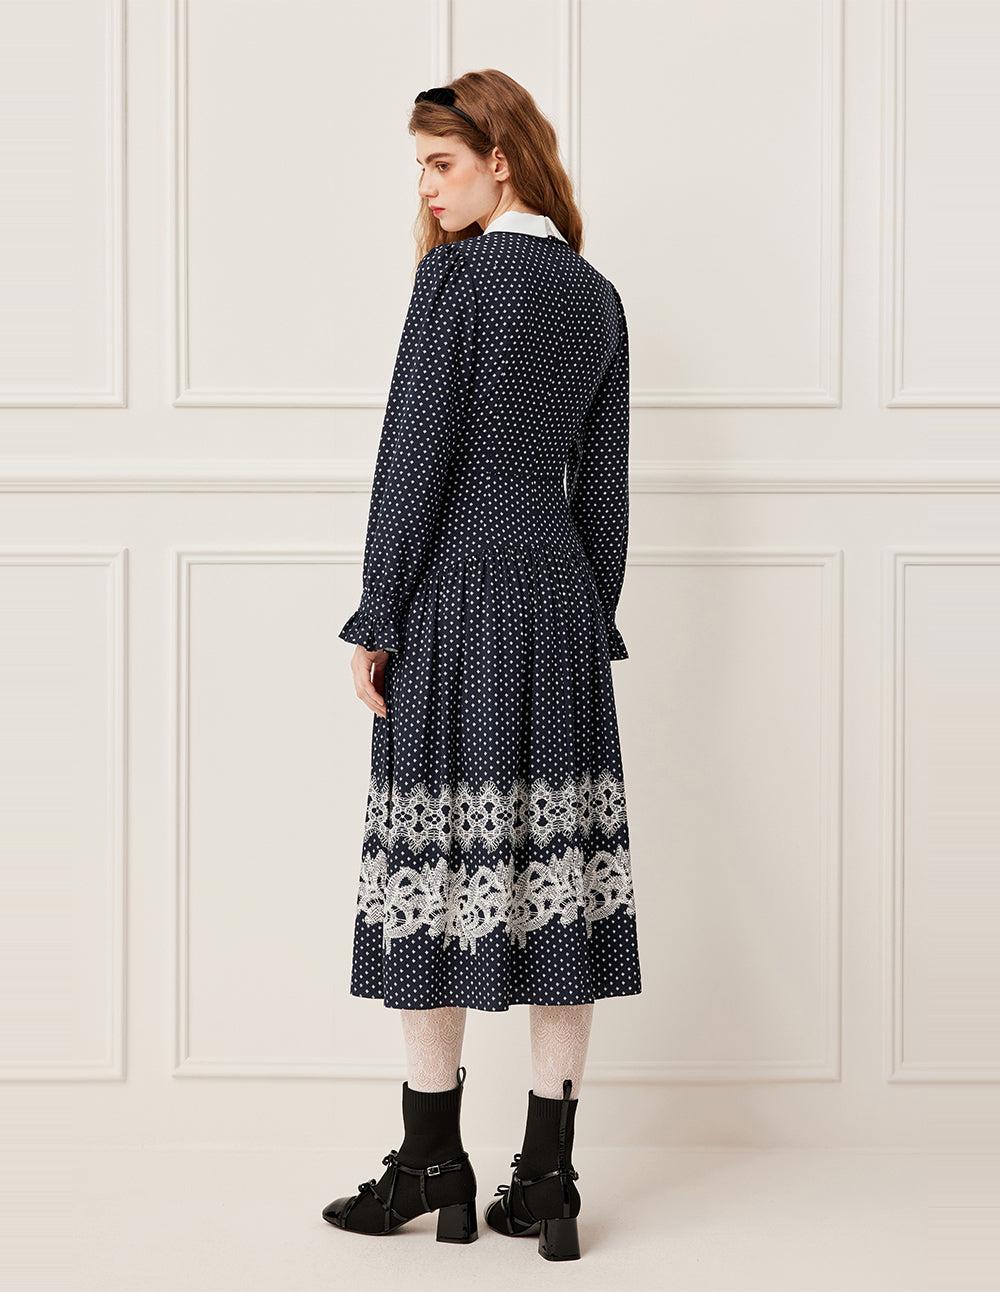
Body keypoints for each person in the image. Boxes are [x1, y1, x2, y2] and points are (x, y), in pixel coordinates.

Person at [322, 69, 641, 1263]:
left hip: (453, 596)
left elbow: (412, 456)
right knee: (560, 880)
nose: (425, 186)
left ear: (500, 158)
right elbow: (604, 490)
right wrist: (589, 614)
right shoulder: (597, 296)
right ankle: (547, 1180)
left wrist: (377, 611)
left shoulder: (455, 280)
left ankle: (430, 1163)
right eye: (419, 165)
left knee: (436, 870)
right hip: (559, 601)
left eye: (440, 163)